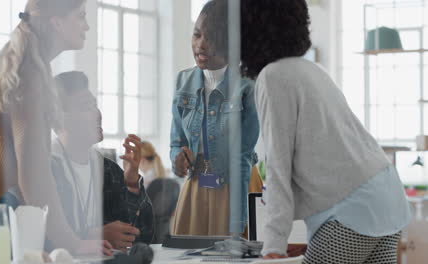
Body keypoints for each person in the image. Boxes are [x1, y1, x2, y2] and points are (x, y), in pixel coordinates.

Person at [240, 0, 411, 262]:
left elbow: (278, 167)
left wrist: (273, 246)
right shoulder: (311, 70)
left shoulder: (273, 77)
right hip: (386, 195)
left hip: (352, 210)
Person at [0, 0, 112, 257]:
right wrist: (73, 243)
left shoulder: (30, 67)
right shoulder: (30, 75)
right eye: (81, 17)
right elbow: (33, 173)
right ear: (57, 22)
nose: (86, 26)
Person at [170, 0, 259, 236]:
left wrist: (237, 223)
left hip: (236, 187)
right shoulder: (182, 82)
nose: (200, 45)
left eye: (210, 37)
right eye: (197, 35)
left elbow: (242, 158)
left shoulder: (248, 87)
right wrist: (176, 160)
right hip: (197, 186)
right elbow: (177, 142)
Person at [52, 71, 153, 251]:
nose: (97, 114)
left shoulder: (107, 168)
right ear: (61, 118)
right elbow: (45, 238)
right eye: (86, 107)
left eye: (95, 105)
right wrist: (94, 236)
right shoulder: (47, 167)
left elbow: (142, 235)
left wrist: (131, 182)